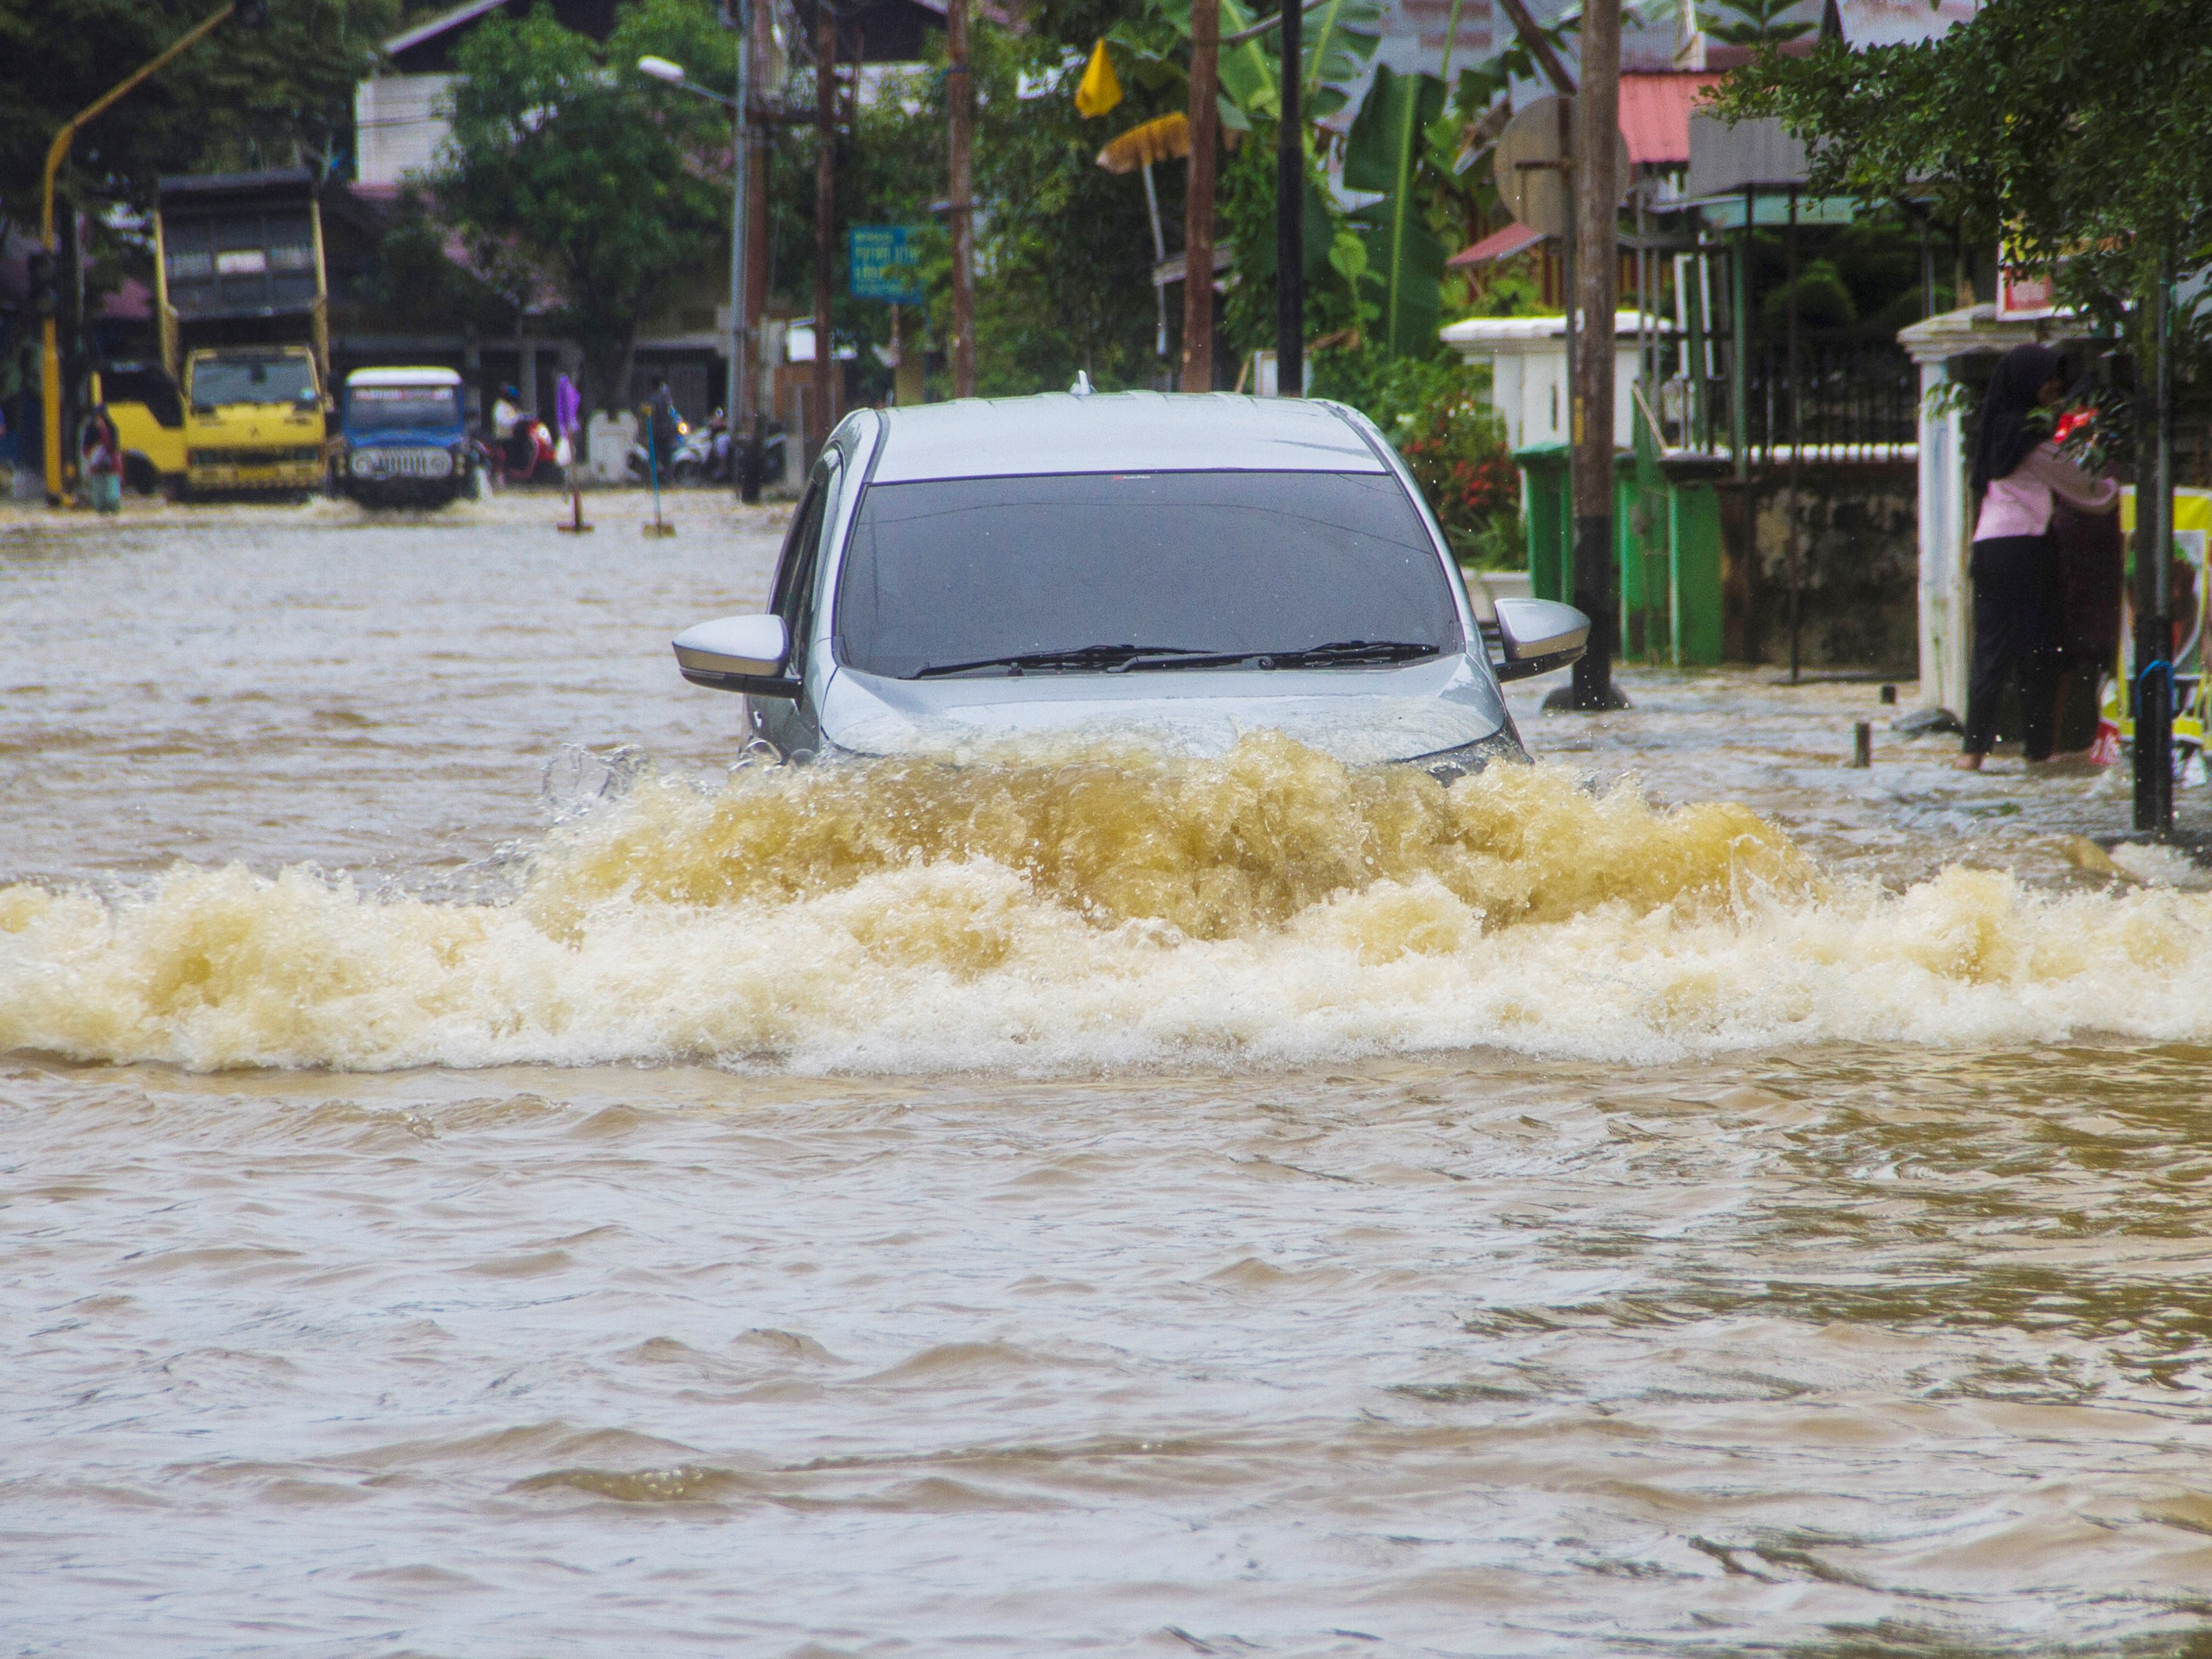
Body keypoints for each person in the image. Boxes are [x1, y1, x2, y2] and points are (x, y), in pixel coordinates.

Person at [1956, 344, 2118, 771]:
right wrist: (2118, 485)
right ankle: (2039, 755)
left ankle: (1971, 754)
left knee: (1990, 652)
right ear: (2028, 383)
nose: (2055, 388)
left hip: (1989, 546)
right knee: (2041, 653)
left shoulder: (1995, 433)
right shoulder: (2030, 437)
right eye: (2047, 380)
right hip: (2026, 547)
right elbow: (2090, 492)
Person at [80, 406, 122, 514]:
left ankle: (114, 512)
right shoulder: (90, 430)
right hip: (96, 467)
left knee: (112, 497)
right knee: (100, 500)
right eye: (96, 417)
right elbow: (86, 448)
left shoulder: (111, 428)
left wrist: (104, 430)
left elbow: (112, 446)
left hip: (110, 467)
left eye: (101, 417)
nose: (98, 420)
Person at [553, 371, 582, 470]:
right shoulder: (567, 391)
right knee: (569, 451)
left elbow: (567, 408)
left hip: (568, 425)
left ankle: (570, 474)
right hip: (568, 425)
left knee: (570, 450)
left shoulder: (567, 391)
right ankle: (569, 474)